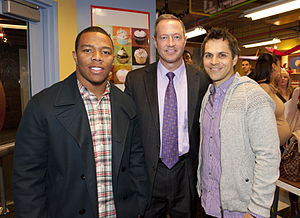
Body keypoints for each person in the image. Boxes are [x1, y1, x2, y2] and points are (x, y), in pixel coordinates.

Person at [12, 26, 148, 218]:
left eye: (106, 52)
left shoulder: (126, 103)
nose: (97, 57)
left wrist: (139, 206)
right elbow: (27, 178)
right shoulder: (42, 106)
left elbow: (136, 161)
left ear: (113, 58)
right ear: (75, 56)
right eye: (88, 50)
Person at [125, 14, 209, 217]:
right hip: (150, 172)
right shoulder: (135, 80)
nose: (170, 43)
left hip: (186, 171)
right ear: (154, 41)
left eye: (176, 37)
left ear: (185, 40)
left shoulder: (203, 80)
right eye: (164, 37)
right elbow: (129, 132)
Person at [197, 27, 280, 218]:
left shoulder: (252, 97)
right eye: (209, 55)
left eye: (222, 55)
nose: (214, 61)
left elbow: (268, 156)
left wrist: (257, 210)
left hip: (242, 210)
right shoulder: (207, 97)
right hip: (209, 204)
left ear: (235, 59)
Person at [254, 53, 291, 146]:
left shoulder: (268, 88)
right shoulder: (263, 90)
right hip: (269, 148)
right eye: (279, 66)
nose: (280, 69)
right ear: (274, 66)